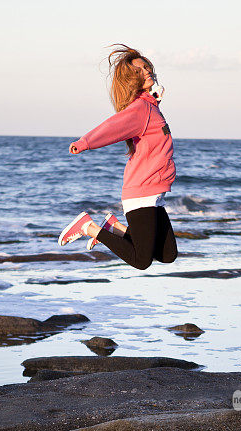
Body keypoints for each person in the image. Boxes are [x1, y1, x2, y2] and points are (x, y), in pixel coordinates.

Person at [58, 44, 178, 271]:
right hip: (142, 191)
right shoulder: (140, 109)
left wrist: (155, 98)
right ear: (131, 81)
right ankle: (89, 227)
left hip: (155, 192)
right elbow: (112, 127)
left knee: (168, 254)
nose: (146, 72)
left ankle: (113, 227)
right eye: (139, 71)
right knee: (142, 261)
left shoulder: (150, 107)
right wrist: (85, 142)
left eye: (147, 67)